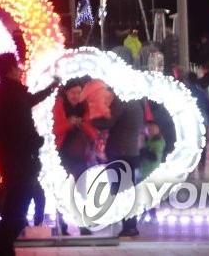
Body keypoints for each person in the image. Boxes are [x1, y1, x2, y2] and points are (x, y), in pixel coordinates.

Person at [0, 53, 59, 256]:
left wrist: (51, 88)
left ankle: (4, 249)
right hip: (19, 160)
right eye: (18, 67)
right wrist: (37, 141)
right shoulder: (11, 95)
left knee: (16, 204)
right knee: (17, 207)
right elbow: (20, 128)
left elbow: (29, 101)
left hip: (14, 159)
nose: (21, 70)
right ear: (11, 69)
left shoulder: (8, 92)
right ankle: (3, 249)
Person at [91, 91, 144, 238]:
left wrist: (90, 120)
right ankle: (130, 226)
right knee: (127, 191)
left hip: (120, 151)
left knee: (119, 191)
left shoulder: (122, 100)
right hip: (131, 152)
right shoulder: (139, 101)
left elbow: (108, 122)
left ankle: (128, 226)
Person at [52, 79, 95, 236]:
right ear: (66, 93)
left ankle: (83, 225)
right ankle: (60, 225)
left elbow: (93, 133)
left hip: (80, 156)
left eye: (79, 92)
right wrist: (70, 123)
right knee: (59, 190)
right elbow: (54, 130)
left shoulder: (86, 107)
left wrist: (82, 124)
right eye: (73, 92)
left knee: (81, 190)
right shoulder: (59, 106)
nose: (76, 96)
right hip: (61, 155)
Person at [183, 72, 209, 181]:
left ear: (187, 80)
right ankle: (201, 170)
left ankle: (190, 171)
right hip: (202, 122)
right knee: (202, 147)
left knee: (189, 147)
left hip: (188, 122)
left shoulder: (184, 91)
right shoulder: (203, 92)